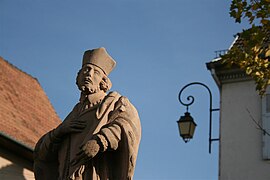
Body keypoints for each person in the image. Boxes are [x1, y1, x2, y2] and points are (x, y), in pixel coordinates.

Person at [34, 47, 141, 180]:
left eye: (95, 72)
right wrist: (59, 132)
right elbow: (41, 154)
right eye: (86, 70)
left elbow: (126, 125)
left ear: (104, 81)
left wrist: (100, 141)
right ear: (78, 77)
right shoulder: (74, 113)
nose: (89, 74)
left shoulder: (115, 103)